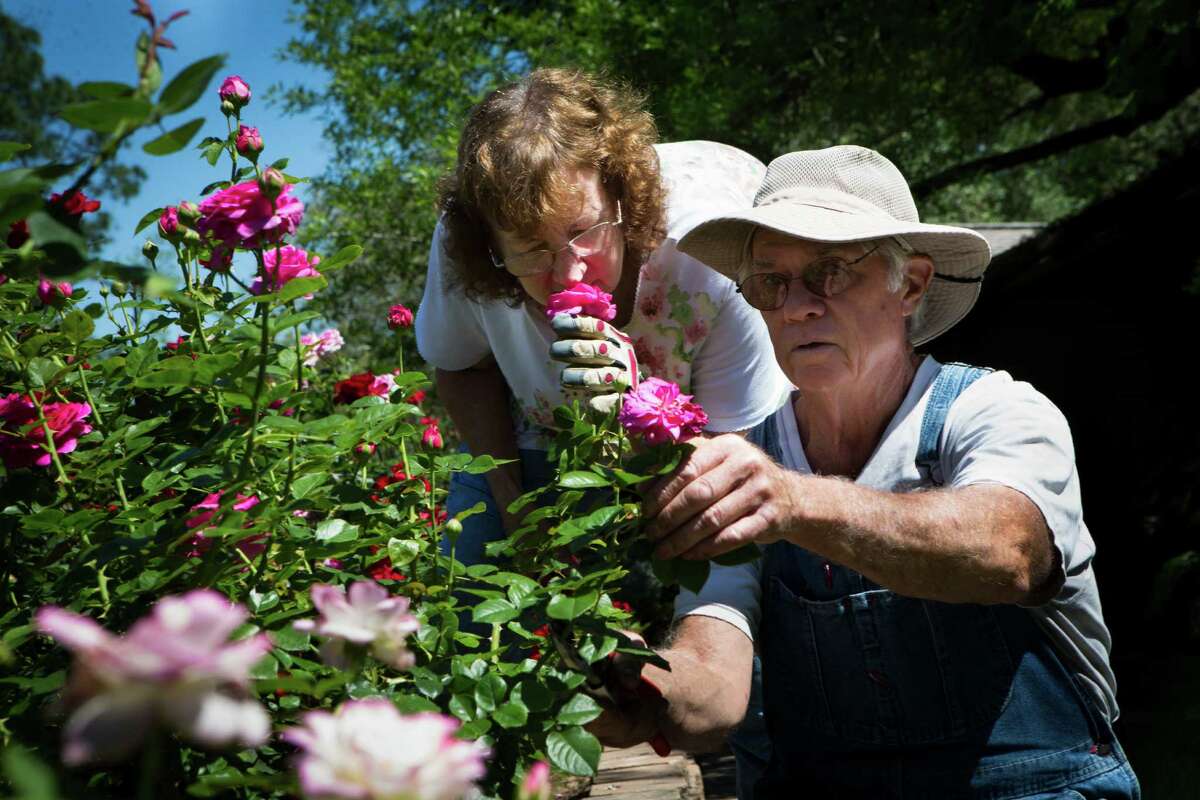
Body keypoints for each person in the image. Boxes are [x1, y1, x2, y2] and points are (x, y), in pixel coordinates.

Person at [591, 145, 1140, 799]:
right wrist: (647, 689)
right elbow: (715, 677)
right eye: (771, 281)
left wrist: (793, 502)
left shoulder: (994, 411)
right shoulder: (747, 467)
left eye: (830, 272)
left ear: (908, 285)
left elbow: (1008, 552)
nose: (796, 307)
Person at [415, 68, 791, 565]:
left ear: (619, 194)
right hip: (537, 430)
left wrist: (628, 410)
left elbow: (731, 453)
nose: (569, 271)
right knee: (475, 605)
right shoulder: (466, 242)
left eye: (584, 231)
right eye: (531, 249)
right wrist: (514, 507)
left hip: (712, 440)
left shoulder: (711, 252)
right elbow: (463, 366)